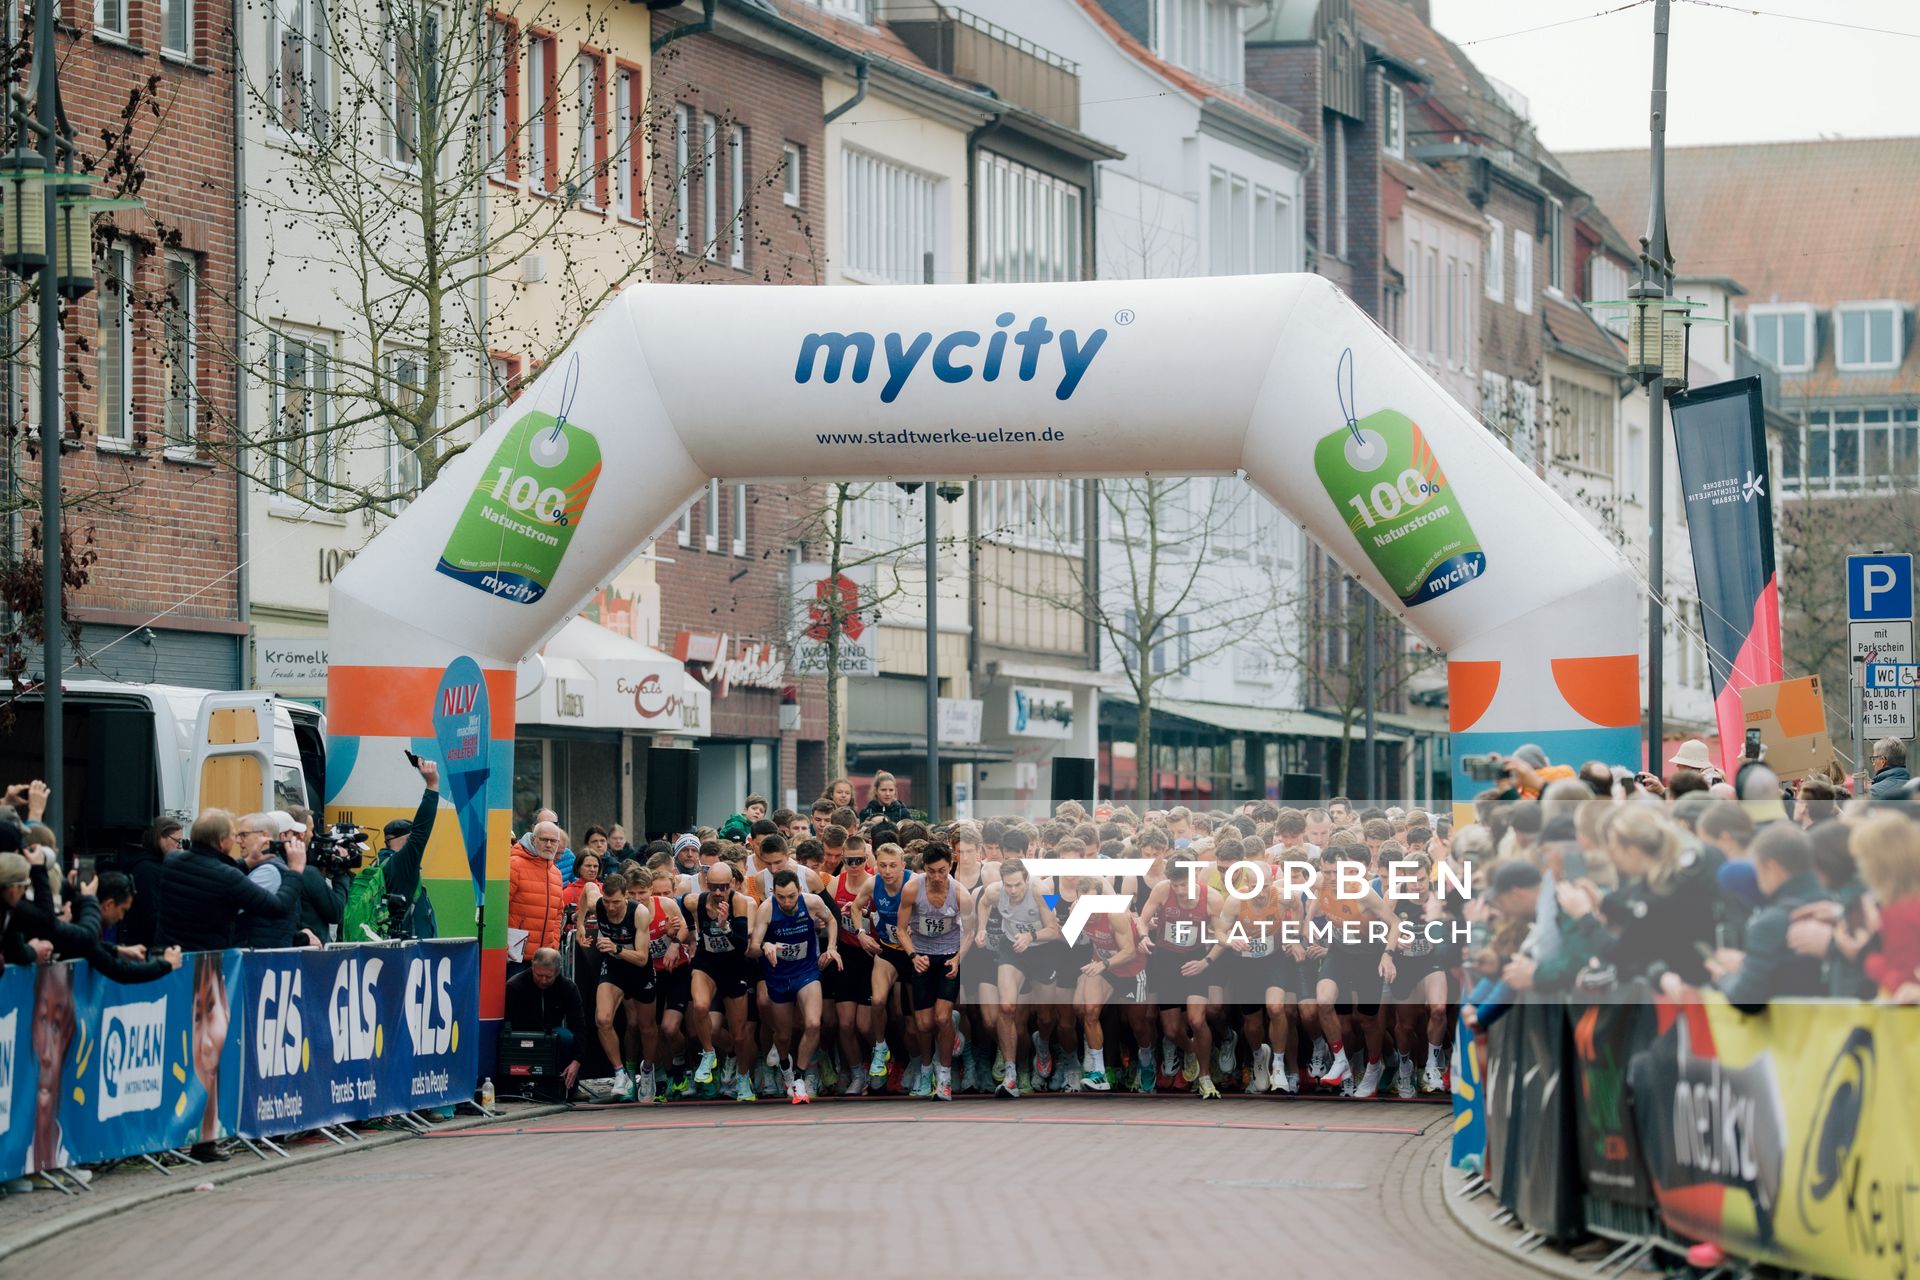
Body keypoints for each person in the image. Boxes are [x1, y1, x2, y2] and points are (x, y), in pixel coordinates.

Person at [1708, 824, 1833, 1012]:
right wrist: (1747, 963)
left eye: (1757, 868)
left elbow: (1747, 999)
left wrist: (1725, 976)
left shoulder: (1771, 923)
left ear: (1771, 867)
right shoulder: (1834, 907)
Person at [749, 868, 841, 1103]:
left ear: (800, 890)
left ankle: (799, 1075)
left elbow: (831, 919)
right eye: (781, 897)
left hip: (806, 972)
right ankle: (785, 1066)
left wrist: (831, 947)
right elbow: (752, 948)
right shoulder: (767, 909)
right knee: (783, 1034)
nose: (787, 902)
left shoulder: (812, 902)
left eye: (791, 896)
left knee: (813, 1023)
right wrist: (765, 946)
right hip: (777, 976)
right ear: (773, 893)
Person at [159, 809, 305, 952]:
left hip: (169, 958)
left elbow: (208, 872)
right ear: (222, 842)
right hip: (204, 964)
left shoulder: (171, 861)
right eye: (234, 835)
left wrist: (246, 863)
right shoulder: (229, 878)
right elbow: (278, 907)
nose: (236, 840)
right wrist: (296, 870)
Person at [895, 841, 971, 1100]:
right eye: (931, 871)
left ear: (951, 866)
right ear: (924, 868)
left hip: (949, 957)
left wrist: (959, 958)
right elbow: (900, 929)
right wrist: (913, 955)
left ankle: (945, 1076)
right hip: (923, 958)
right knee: (923, 1024)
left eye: (941, 870)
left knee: (940, 1018)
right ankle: (926, 1068)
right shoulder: (912, 889)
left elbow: (971, 932)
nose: (937, 877)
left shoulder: (960, 894)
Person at [576, 872, 657, 1101]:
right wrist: (580, 924)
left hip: (639, 970)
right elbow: (587, 889)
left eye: (617, 902)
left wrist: (616, 948)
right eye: (607, 901)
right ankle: (620, 1073)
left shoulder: (638, 913)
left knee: (647, 1027)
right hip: (614, 968)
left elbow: (642, 958)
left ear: (626, 897)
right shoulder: (598, 903)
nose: (611, 907)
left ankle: (648, 1070)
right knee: (602, 1019)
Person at [683, 862, 758, 1100]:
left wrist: (725, 926)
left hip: (734, 968)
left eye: (723, 888)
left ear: (731, 886)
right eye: (714, 887)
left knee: (739, 1035)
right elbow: (679, 905)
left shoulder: (739, 902)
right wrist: (686, 938)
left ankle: (743, 1078)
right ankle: (708, 1053)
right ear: (707, 884)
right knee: (700, 1006)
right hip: (707, 964)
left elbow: (742, 945)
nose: (718, 893)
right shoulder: (696, 902)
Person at [367, 758, 442, 938]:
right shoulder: (402, 864)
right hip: (411, 950)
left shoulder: (378, 863)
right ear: (407, 839)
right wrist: (432, 785)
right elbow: (420, 831)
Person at [503, 948, 587, 1097]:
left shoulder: (568, 988)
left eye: (548, 977)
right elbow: (506, 1024)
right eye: (539, 975)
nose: (543, 980)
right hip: (521, 1035)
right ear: (533, 967)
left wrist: (577, 1060)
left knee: (566, 1037)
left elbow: (579, 1026)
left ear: (557, 972)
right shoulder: (514, 986)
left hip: (551, 1034)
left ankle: (569, 1086)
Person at [508, 821, 567, 978]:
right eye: (544, 839)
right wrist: (503, 944)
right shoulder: (514, 864)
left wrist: (553, 944)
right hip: (515, 957)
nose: (549, 844)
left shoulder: (556, 873)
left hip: (544, 957)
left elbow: (558, 914)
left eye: (553, 841)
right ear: (533, 840)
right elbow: (498, 909)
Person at [118, 817, 181, 950]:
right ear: (161, 837)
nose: (179, 847)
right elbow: (151, 912)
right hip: (146, 944)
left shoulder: (150, 864)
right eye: (177, 841)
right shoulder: (148, 869)